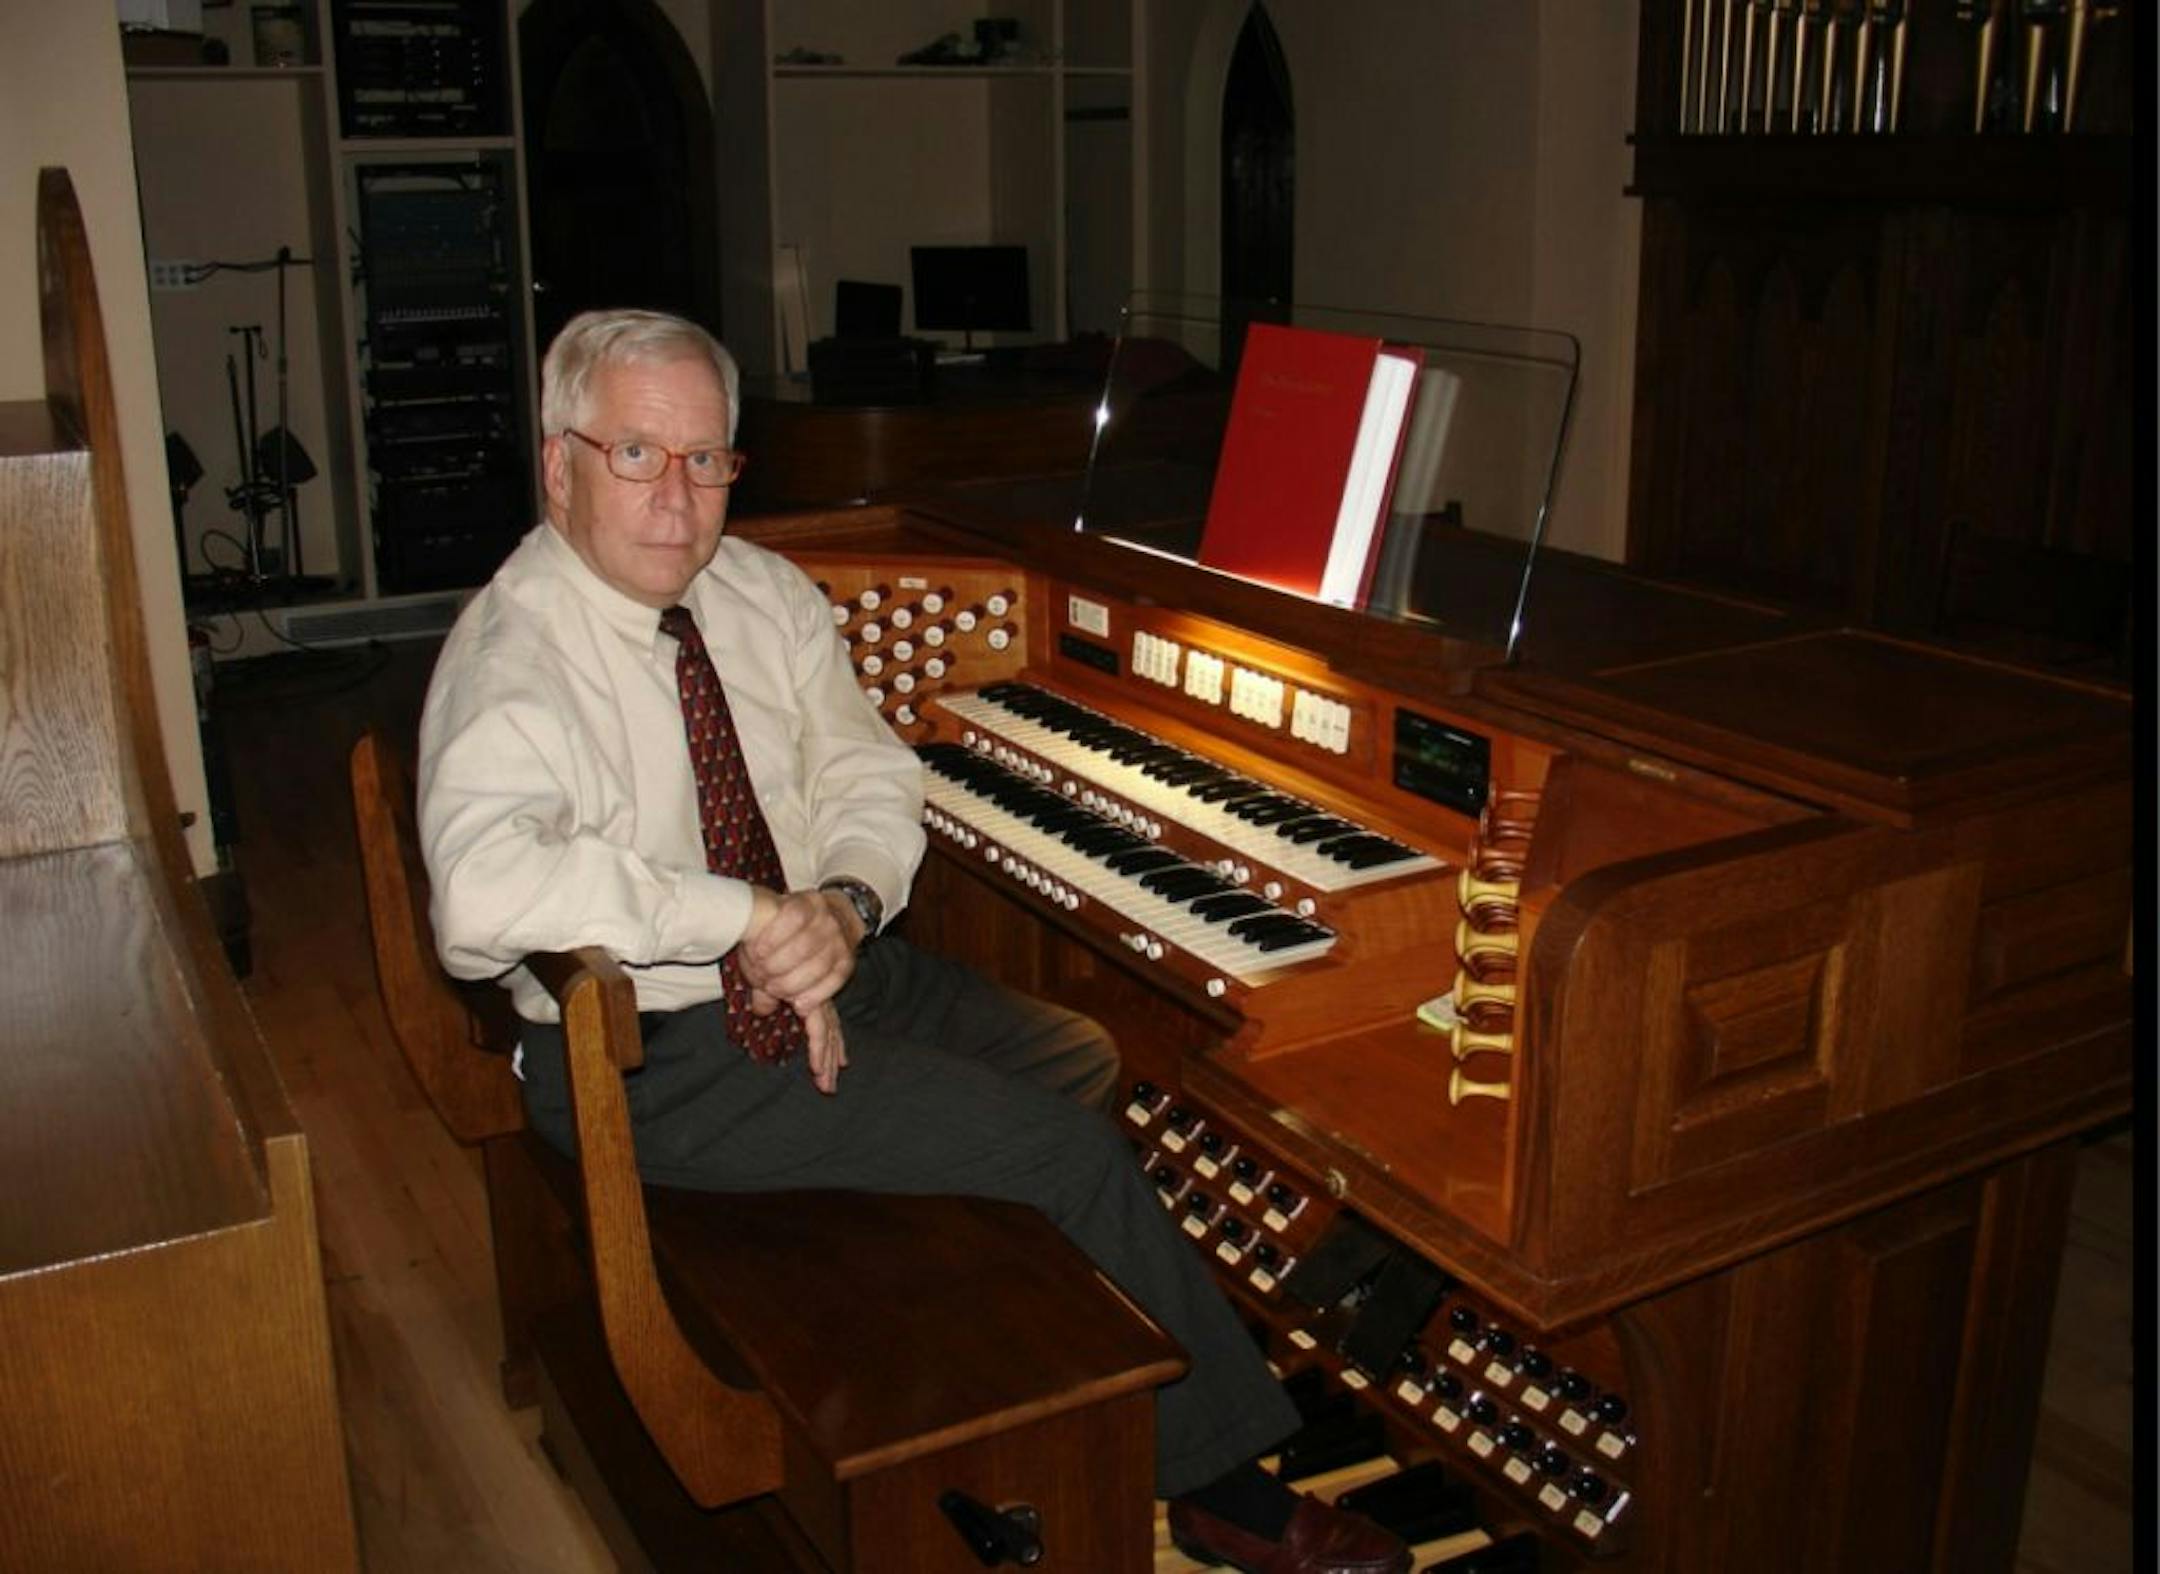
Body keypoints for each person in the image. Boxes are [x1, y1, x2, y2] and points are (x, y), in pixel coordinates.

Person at [417, 307, 1411, 1574]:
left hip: (823, 967)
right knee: (1060, 1152)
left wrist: (837, 905)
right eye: (636, 454)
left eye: (707, 458)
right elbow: (480, 897)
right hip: (649, 1056)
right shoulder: (516, 652)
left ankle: (974, 1326)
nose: (677, 497)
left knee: (1076, 1057)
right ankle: (1226, 1490)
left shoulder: (756, 593)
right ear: (559, 465)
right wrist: (742, 916)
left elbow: (869, 774)